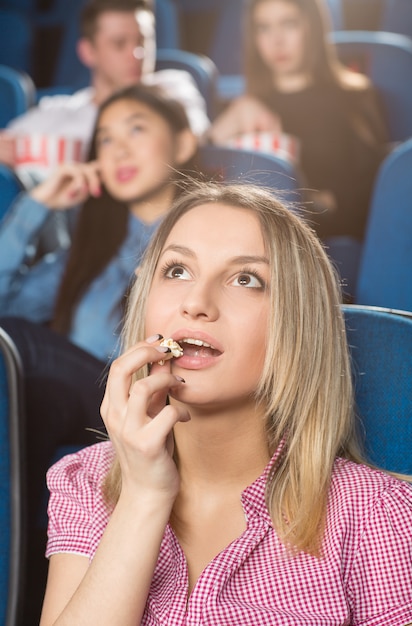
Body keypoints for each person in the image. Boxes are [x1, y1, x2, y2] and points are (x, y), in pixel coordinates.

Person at [40, 181, 412, 625]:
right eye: (177, 271)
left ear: (298, 328)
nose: (196, 304)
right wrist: (144, 496)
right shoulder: (86, 482)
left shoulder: (376, 516)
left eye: (246, 279)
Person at [0, 82, 198, 624]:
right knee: (13, 352)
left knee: (23, 347)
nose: (119, 150)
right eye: (105, 139)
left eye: (136, 129)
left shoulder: (205, 243)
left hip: (146, 404)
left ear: (182, 144)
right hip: (62, 400)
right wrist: (37, 206)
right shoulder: (86, 252)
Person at [209, 0, 389, 241]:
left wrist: (314, 201)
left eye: (289, 24)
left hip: (326, 240)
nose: (277, 40)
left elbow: (372, 195)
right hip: (257, 240)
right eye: (264, 28)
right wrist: (223, 128)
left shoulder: (354, 97)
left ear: (312, 27)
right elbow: (202, 192)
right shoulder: (246, 109)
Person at [0, 0, 209, 187]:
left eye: (143, 41)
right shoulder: (60, 111)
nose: (136, 54)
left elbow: (193, 137)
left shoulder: (173, 86)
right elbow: (7, 142)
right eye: (119, 44)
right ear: (88, 52)